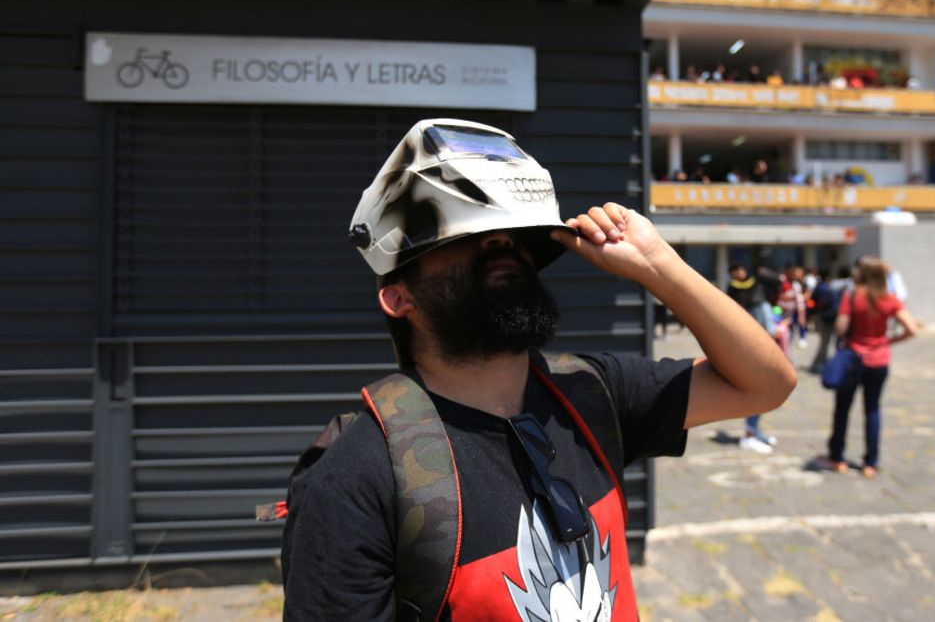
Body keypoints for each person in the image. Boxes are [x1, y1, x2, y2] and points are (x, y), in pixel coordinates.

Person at [281, 119, 796, 620]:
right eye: (463, 237)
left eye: (512, 235)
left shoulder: (593, 393)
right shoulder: (358, 477)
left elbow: (767, 383)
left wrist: (659, 264)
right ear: (398, 297)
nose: (501, 242)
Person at [818, 257, 918, 478]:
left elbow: (841, 328)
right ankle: (870, 463)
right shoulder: (890, 299)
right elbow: (911, 328)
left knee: (843, 409)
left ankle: (837, 458)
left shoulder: (852, 296)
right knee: (872, 410)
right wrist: (889, 341)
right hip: (879, 360)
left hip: (854, 358)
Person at [724, 264, 781, 453]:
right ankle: (750, 434)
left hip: (747, 351)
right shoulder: (759, 303)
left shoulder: (743, 293)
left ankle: (754, 431)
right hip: (754, 355)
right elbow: (772, 332)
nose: (740, 274)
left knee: (760, 393)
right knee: (758, 393)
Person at [808, 266, 852, 374]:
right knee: (834, 343)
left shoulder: (829, 285)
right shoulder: (848, 285)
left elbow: (813, 301)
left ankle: (821, 364)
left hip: (825, 317)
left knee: (826, 342)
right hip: (834, 317)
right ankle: (821, 365)